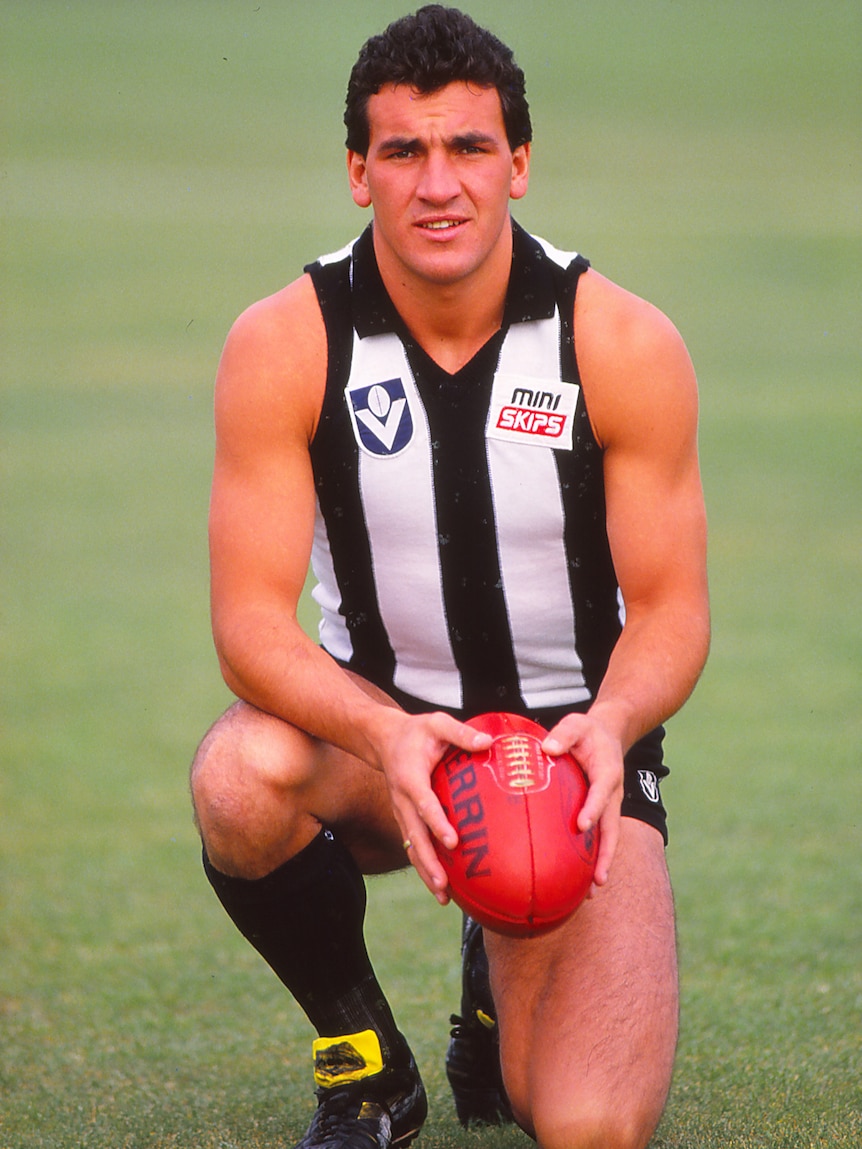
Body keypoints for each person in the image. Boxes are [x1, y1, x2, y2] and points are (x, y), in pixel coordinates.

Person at [190, 6, 710, 1148]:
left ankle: (498, 969)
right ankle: (367, 1069)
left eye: (469, 147)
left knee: (583, 1126)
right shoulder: (287, 342)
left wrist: (614, 724)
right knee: (240, 775)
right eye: (404, 151)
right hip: (380, 741)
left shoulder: (618, 343)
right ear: (356, 171)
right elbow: (246, 626)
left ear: (518, 164)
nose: (439, 183)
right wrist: (389, 738)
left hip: (574, 763)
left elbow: (673, 612)